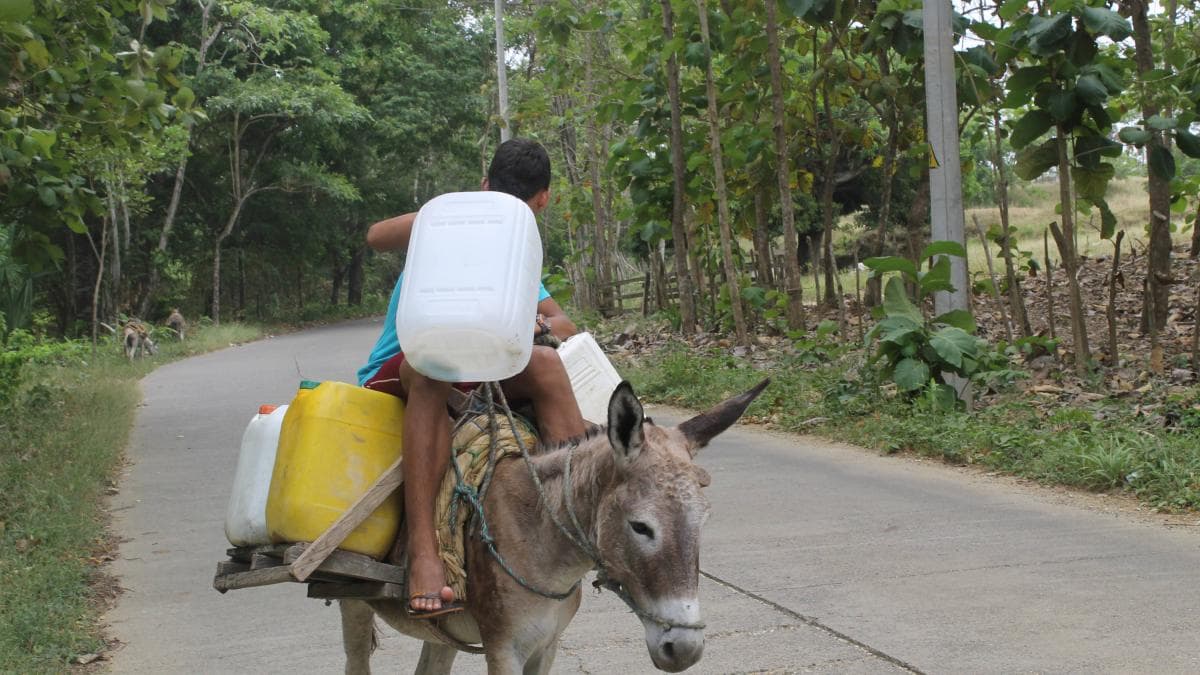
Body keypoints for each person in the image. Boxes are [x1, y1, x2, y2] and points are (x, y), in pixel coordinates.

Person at [357, 138, 586, 618]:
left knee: (546, 364)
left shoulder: (520, 249)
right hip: (410, 362)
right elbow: (377, 236)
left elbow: (562, 324)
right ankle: (425, 552)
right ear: (545, 199)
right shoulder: (446, 223)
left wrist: (535, 326)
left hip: (484, 365)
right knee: (432, 367)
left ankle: (580, 519)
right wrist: (442, 216)